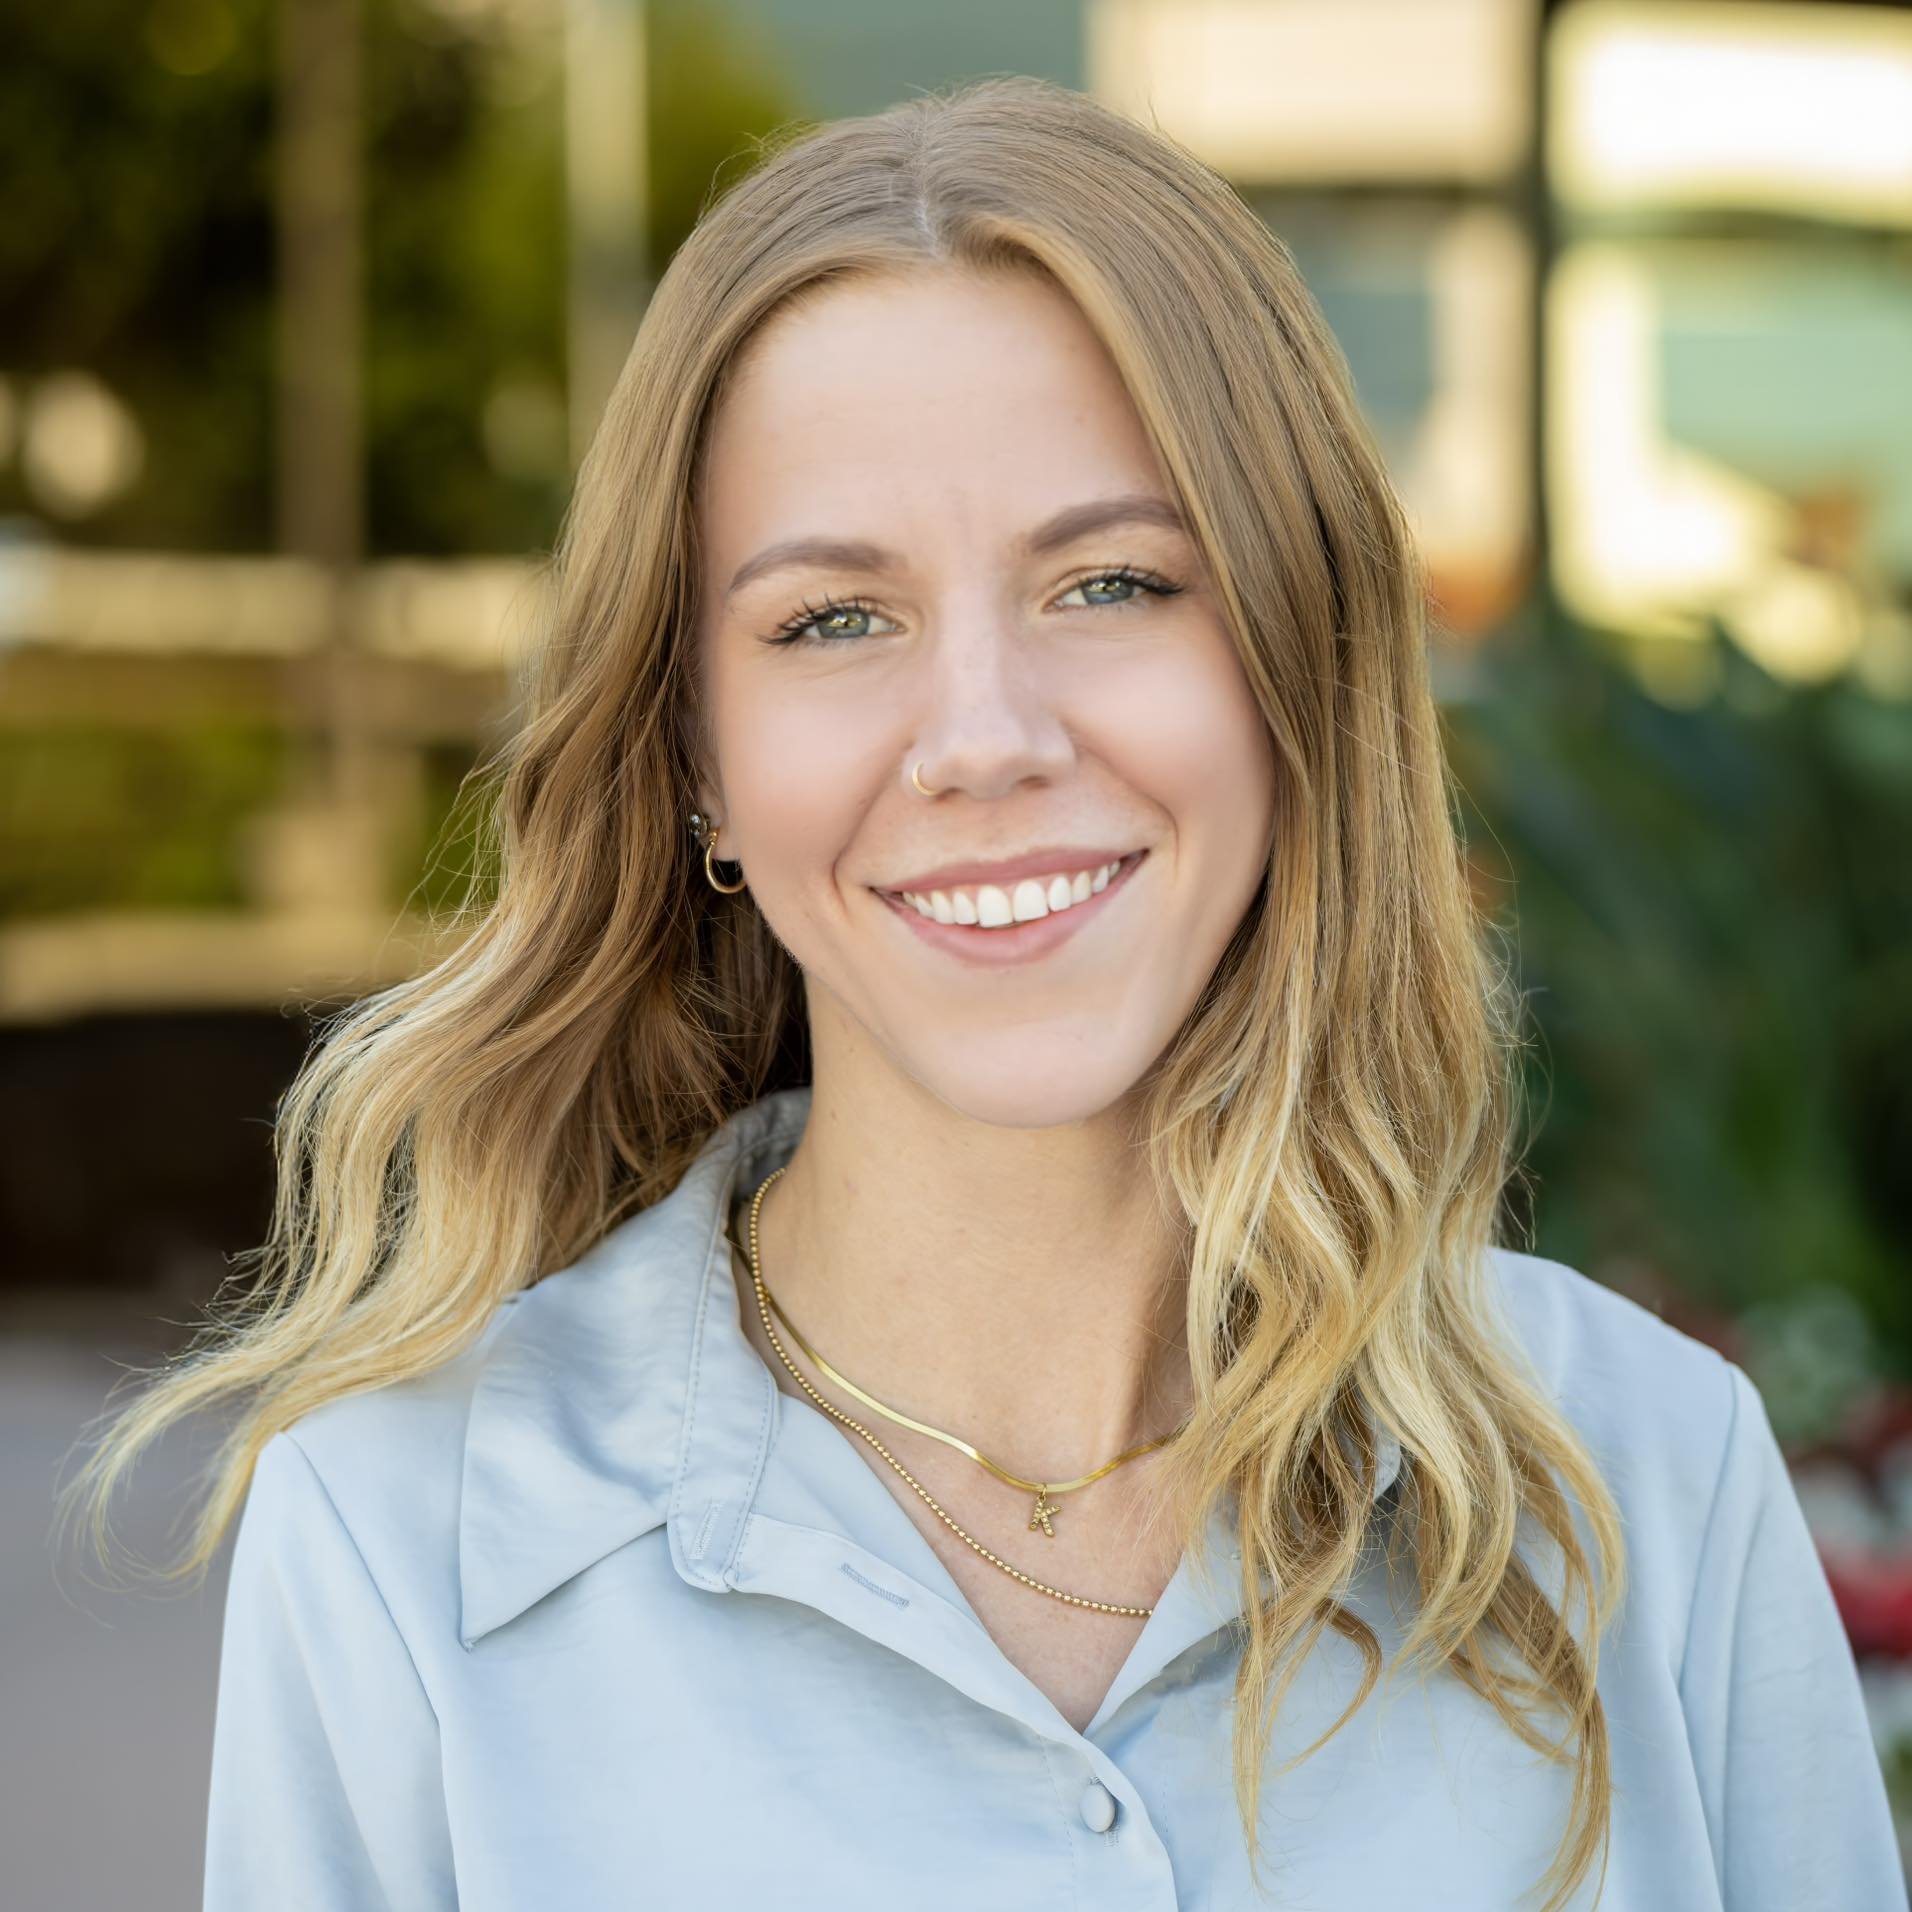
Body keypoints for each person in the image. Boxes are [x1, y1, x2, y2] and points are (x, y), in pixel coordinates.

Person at [64, 74, 1903, 1911]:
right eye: (833, 621)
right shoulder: (399, 1534)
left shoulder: (1650, 1482)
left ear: (1295, 669)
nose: (985, 740)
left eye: (1109, 583)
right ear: (696, 750)